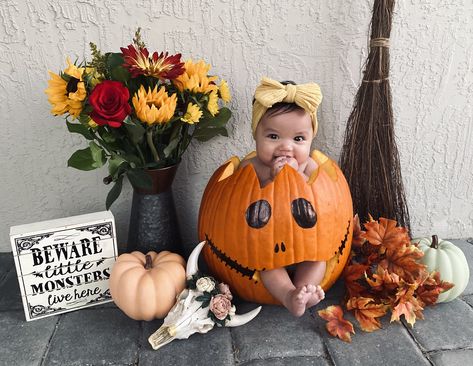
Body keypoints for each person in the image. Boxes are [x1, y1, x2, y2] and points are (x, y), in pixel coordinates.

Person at [239, 77, 326, 316]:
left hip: (306, 243)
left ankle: (303, 291)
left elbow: (324, 200)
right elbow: (242, 200)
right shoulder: (252, 168)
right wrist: (272, 180)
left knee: (319, 259)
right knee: (267, 267)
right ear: (256, 135)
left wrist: (297, 177)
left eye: (298, 139)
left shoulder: (310, 166)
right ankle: (288, 295)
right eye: (274, 137)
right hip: (268, 246)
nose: (286, 147)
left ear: (310, 139)